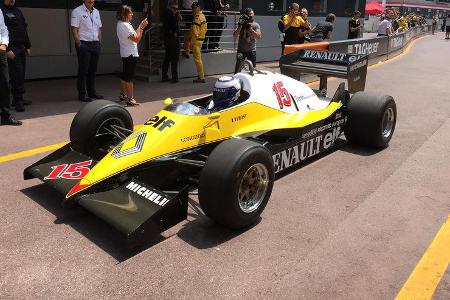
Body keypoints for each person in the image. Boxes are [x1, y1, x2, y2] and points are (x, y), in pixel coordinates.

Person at [1, 0, 31, 112]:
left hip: (21, 46)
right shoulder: (1, 11)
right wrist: (7, 49)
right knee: (16, 73)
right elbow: (1, 31)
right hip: (11, 47)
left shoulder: (18, 11)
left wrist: (28, 45)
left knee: (21, 72)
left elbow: (24, 28)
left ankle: (19, 98)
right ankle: (17, 101)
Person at [71, 0, 103, 102]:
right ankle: (82, 94)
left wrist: (99, 42)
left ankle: (91, 92)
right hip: (84, 44)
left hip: (95, 44)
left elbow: (99, 29)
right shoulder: (77, 11)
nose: (91, 0)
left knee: (93, 70)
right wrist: (79, 44)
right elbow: (74, 29)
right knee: (83, 70)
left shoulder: (97, 12)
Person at [116, 5, 148, 106]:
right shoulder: (125, 26)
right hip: (130, 54)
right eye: (130, 12)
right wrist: (142, 27)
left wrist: (139, 26)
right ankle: (130, 99)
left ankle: (123, 95)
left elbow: (135, 35)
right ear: (124, 14)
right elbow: (137, 39)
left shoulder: (122, 24)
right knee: (129, 77)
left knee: (125, 75)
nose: (132, 14)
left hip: (126, 53)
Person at [0, 9, 21, 125]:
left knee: (4, 83)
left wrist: (4, 44)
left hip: (0, 50)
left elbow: (3, 28)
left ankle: (5, 116)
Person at [233, 7, 261, 74]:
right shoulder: (242, 23)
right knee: (238, 68)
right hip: (241, 50)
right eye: (249, 15)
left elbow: (258, 37)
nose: (250, 16)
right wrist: (240, 25)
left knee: (252, 69)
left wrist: (251, 29)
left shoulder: (256, 25)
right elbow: (235, 35)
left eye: (252, 14)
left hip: (252, 51)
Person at [185, 2, 207, 83]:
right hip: (200, 39)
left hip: (197, 41)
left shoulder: (197, 18)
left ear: (198, 8)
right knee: (198, 59)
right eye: (192, 8)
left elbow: (195, 33)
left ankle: (201, 77)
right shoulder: (202, 15)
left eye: (194, 8)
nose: (193, 10)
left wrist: (191, 45)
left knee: (198, 60)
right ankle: (201, 76)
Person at [161, 0, 181, 83]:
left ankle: (164, 76)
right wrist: (177, 15)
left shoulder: (168, 14)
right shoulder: (170, 14)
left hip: (168, 38)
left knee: (168, 58)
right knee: (174, 58)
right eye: (174, 8)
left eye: (177, 9)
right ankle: (174, 77)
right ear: (169, 7)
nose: (175, 10)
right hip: (172, 38)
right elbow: (176, 22)